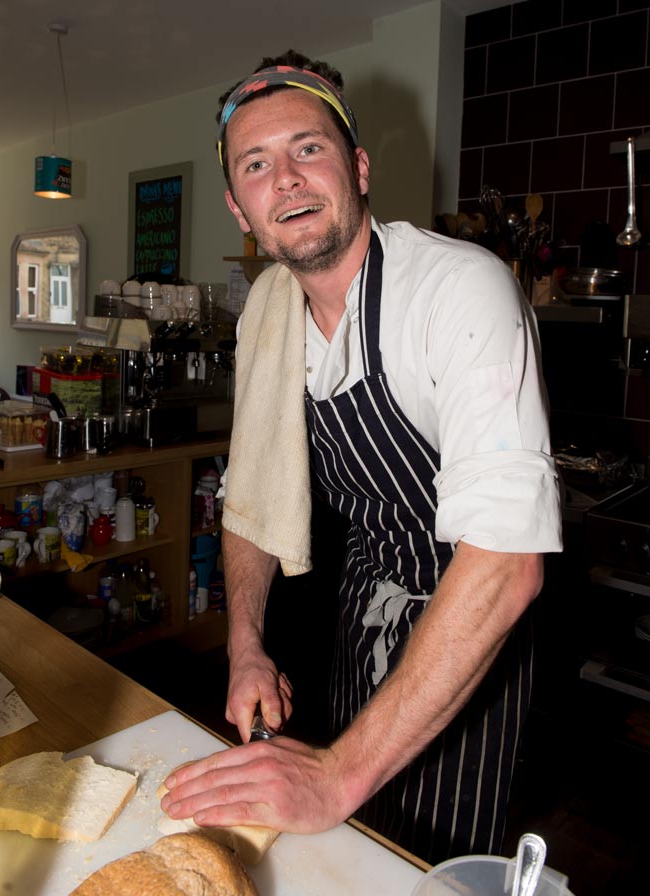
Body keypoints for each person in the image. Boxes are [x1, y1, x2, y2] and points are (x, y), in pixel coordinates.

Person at [161, 49, 562, 865]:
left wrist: (339, 773)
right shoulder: (267, 317)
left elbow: (507, 562)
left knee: (427, 859)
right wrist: (246, 647)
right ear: (241, 209)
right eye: (258, 165)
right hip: (363, 612)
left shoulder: (457, 291)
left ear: (359, 166)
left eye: (309, 148)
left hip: (470, 631)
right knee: (350, 851)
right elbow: (251, 494)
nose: (289, 178)